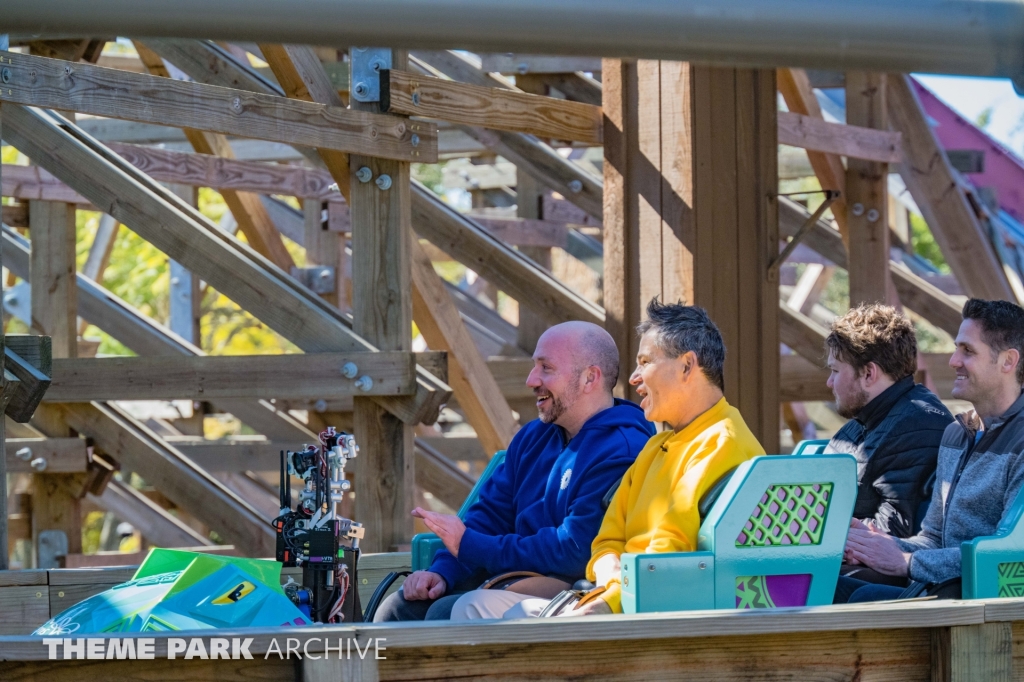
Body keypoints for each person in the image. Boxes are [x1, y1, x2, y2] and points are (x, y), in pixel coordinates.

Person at [450, 299, 765, 620]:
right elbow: (607, 539)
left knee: (493, 614)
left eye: (645, 362)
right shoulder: (658, 446)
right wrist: (608, 577)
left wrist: (609, 600)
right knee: (479, 608)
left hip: (669, 609)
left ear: (686, 365)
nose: (633, 377)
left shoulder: (720, 443)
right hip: (624, 595)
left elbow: (668, 552)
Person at [372, 321, 653, 622]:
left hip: (574, 589)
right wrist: (443, 571)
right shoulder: (533, 436)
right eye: (534, 367)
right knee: (397, 609)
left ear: (590, 378)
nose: (532, 380)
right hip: (510, 577)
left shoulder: (622, 449)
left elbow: (575, 550)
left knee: (443, 614)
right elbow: (490, 514)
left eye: (546, 368)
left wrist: (473, 546)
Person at [835, 299, 1024, 603]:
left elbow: (1008, 557)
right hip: (941, 588)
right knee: (824, 587)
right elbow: (933, 538)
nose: (953, 360)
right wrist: (881, 546)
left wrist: (906, 562)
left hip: (984, 605)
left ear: (1008, 361)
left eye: (968, 351)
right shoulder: (957, 434)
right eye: (956, 348)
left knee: (862, 597)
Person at [825, 304, 952, 541]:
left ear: (868, 374)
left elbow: (891, 531)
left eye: (835, 371)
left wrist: (820, 531)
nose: (829, 383)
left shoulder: (916, 424)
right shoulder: (865, 420)